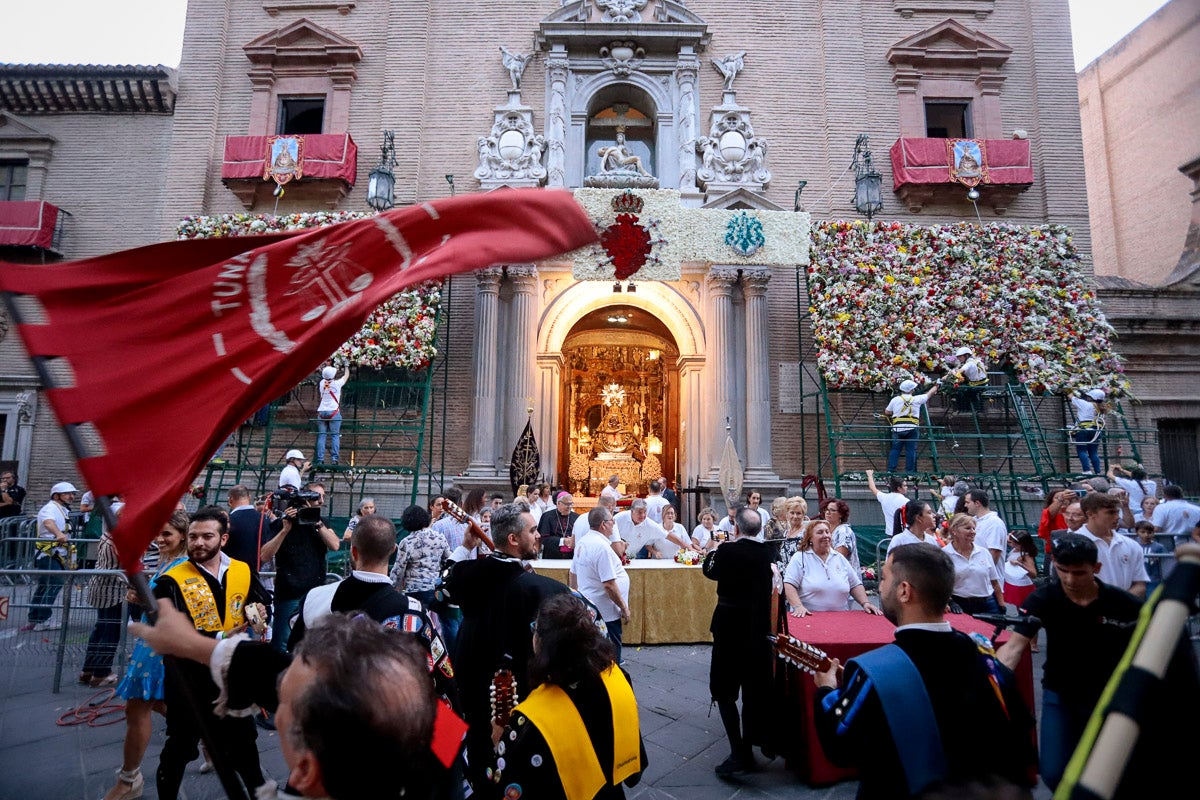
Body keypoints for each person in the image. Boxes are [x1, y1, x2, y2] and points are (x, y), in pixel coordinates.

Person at [129, 607, 449, 800]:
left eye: (281, 701)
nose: (276, 694)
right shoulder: (439, 728)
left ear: (304, 773)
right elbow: (274, 668)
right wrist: (191, 644)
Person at [814, 545, 1036, 799]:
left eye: (884, 578)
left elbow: (839, 745)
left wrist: (826, 690)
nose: (881, 587)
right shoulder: (982, 656)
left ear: (904, 591)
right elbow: (1017, 728)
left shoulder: (876, 670)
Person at [996, 534, 1142, 790]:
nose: (1069, 580)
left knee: (1118, 774)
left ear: (1096, 569)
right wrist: (993, 681)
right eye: (1062, 571)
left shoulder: (1123, 604)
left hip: (1111, 697)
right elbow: (1013, 647)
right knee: (1053, 773)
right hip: (1060, 695)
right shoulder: (1042, 599)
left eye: (1079, 573)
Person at [443, 503, 570, 791]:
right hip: (519, 691)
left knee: (481, 759)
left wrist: (465, 548)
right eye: (533, 530)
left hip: (474, 683)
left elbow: (443, 587)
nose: (538, 536)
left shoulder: (467, 573)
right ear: (513, 539)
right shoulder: (540, 588)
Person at [152, 507, 271, 799]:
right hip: (188, 680)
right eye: (193, 536)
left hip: (232, 677)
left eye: (207, 536)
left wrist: (259, 611)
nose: (199, 543)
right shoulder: (170, 580)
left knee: (245, 748)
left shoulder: (242, 569)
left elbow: (257, 599)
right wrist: (220, 635)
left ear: (224, 538)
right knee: (179, 750)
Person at [487, 593, 646, 798]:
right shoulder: (617, 677)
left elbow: (506, 786)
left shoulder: (531, 719)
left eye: (535, 629)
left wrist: (501, 743)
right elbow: (633, 767)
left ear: (540, 643)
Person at [289, 514, 457, 706]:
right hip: (385, 720)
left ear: (353, 551)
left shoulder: (315, 597)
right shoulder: (413, 612)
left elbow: (295, 655)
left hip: (325, 716)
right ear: (393, 550)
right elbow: (441, 676)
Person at [101, 511, 191, 800]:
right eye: (158, 533)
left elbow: (175, 608)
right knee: (163, 706)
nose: (160, 539)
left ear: (181, 537)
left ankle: (129, 780)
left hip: (159, 649)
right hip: (152, 645)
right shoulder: (168, 562)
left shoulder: (182, 566)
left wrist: (143, 598)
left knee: (137, 708)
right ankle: (210, 743)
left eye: (167, 534)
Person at [702, 507, 778, 777]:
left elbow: (708, 571)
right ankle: (751, 744)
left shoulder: (727, 551)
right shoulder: (767, 554)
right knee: (753, 690)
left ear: (736, 528)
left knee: (723, 690)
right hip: (756, 629)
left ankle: (739, 752)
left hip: (729, 629)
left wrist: (717, 546)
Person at [260, 482, 341, 651]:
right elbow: (264, 555)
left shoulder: (322, 522)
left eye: (323, 497)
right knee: (283, 644)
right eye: (317, 496)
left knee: (313, 644)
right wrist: (284, 529)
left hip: (315, 593)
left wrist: (316, 523)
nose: (320, 501)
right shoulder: (282, 524)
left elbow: (335, 545)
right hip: (289, 593)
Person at [571, 506, 632, 665]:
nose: (614, 524)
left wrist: (575, 598)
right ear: (603, 524)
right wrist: (624, 608)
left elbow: (573, 573)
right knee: (610, 651)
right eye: (612, 521)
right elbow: (609, 584)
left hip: (591, 605)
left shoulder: (583, 542)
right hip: (606, 611)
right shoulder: (602, 547)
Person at [784, 519, 881, 616]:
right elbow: (789, 584)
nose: (825, 535)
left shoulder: (839, 558)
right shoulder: (800, 557)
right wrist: (798, 606)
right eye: (820, 532)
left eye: (827, 532)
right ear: (810, 538)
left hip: (840, 617)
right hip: (809, 616)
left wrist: (866, 603)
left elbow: (855, 585)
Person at [21, 481, 77, 632]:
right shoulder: (50, 508)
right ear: (57, 495)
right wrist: (58, 534)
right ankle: (42, 619)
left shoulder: (62, 509)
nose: (72, 496)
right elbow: (48, 523)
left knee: (45, 585)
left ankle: (35, 617)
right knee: (55, 582)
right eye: (68, 494)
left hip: (56, 553)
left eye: (73, 494)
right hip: (48, 554)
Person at [80, 517, 126, 687]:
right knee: (110, 630)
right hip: (112, 589)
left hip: (102, 585)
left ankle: (89, 669)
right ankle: (101, 672)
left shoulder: (109, 534)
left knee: (101, 628)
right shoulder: (120, 537)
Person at [1076, 491, 1148, 598]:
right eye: (1110, 512)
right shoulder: (1074, 544)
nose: (1117, 517)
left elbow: (1140, 584)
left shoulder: (1131, 545)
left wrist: (1119, 604)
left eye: (1117, 512)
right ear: (1090, 514)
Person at [391, 504, 452, 614]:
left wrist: (392, 587)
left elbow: (399, 569)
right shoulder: (439, 537)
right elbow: (448, 559)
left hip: (414, 591)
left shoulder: (407, 542)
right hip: (435, 589)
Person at [942, 514, 1004, 615]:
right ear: (954, 531)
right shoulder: (945, 554)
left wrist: (1002, 605)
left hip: (988, 604)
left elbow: (995, 583)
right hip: (961, 606)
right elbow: (941, 585)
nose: (973, 532)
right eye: (968, 528)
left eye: (974, 528)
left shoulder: (983, 552)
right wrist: (951, 602)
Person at [883, 379, 939, 473]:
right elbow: (930, 394)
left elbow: (887, 412)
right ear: (912, 390)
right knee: (911, 450)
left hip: (897, 427)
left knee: (895, 449)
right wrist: (937, 385)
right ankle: (910, 472)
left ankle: (891, 470)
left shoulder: (895, 400)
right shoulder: (917, 399)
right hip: (912, 427)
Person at [224, 484, 272, 569]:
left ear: (230, 500)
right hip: (259, 571)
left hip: (233, 571)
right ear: (249, 498)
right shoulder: (264, 519)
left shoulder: (227, 521)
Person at [963, 488, 1008, 567]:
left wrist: (983, 572)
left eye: (967, 502)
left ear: (977, 503)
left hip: (986, 577)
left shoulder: (994, 523)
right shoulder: (973, 520)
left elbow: (994, 553)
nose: (965, 505)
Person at [315, 365, 349, 465]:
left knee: (322, 436)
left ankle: (320, 459)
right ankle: (334, 459)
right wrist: (346, 366)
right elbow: (346, 376)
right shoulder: (337, 384)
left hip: (321, 412)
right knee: (335, 435)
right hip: (333, 412)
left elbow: (325, 376)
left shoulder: (321, 383)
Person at [1068, 388, 1108, 474]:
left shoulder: (1084, 404)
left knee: (1082, 451)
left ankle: (1087, 470)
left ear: (1091, 397)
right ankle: (1098, 472)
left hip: (1084, 431)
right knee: (1093, 452)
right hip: (1096, 432)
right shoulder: (1102, 408)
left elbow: (1070, 396)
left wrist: (1072, 388)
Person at [1151, 484, 1200, 548]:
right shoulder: (1197, 509)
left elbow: (1156, 528)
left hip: (1170, 544)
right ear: (1181, 494)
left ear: (1164, 495)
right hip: (1193, 544)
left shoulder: (1161, 508)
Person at [866, 470, 908, 539]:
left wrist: (869, 475)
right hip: (903, 533)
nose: (906, 487)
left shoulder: (884, 497)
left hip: (890, 533)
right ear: (899, 488)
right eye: (904, 486)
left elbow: (873, 488)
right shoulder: (906, 501)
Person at [822, 497, 860, 574]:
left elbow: (839, 557)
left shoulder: (844, 531)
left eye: (832, 510)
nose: (828, 512)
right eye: (826, 509)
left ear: (841, 514)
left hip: (846, 577)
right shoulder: (827, 530)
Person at [1003, 531, 1040, 609]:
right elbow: (1009, 540)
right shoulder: (1016, 548)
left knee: (1024, 608)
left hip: (1022, 586)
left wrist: (1020, 565)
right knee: (1018, 607)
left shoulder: (1026, 555)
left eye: (1016, 543)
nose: (1012, 544)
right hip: (1013, 582)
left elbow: (1034, 574)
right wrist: (1009, 536)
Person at [537, 490, 579, 559]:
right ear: (558, 503)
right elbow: (543, 538)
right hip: (552, 556)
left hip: (571, 557)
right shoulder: (547, 516)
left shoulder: (576, 517)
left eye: (571, 504)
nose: (569, 507)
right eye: (567, 504)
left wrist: (574, 540)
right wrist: (563, 541)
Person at [946, 346, 989, 412]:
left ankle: (964, 410)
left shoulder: (969, 363)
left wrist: (950, 375)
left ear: (966, 355)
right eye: (958, 357)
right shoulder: (977, 361)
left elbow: (960, 371)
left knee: (958, 390)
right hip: (984, 384)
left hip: (976, 386)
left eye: (960, 357)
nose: (959, 359)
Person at [1134, 520, 1168, 595]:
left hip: (1153, 579)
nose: (1146, 535)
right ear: (1137, 532)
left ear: (1153, 533)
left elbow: (1165, 563)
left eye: (1149, 532)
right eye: (1142, 532)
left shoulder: (1159, 547)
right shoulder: (1133, 546)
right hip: (1137, 579)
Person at [775, 496, 809, 569]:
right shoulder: (786, 532)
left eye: (798, 513)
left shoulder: (806, 532)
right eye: (792, 513)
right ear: (787, 514)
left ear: (803, 515)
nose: (795, 516)